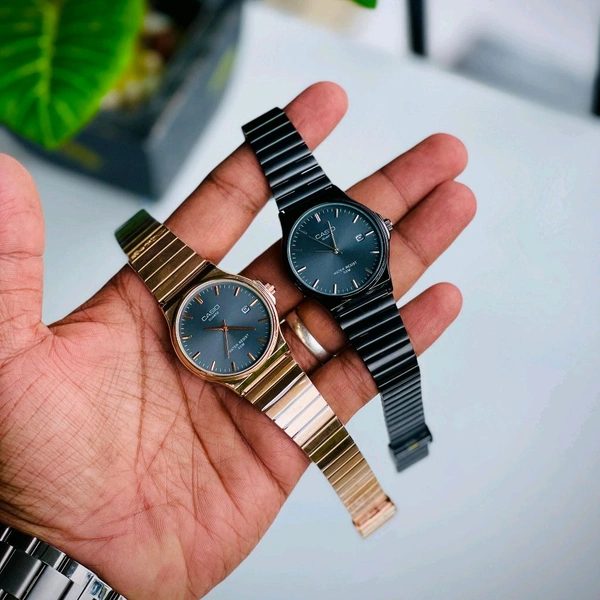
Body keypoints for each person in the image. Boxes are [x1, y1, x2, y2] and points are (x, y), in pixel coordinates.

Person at [0, 82, 476, 599]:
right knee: (327, 424)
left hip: (251, 327)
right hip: (237, 350)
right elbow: (138, 237)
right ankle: (381, 490)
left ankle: (396, 463)